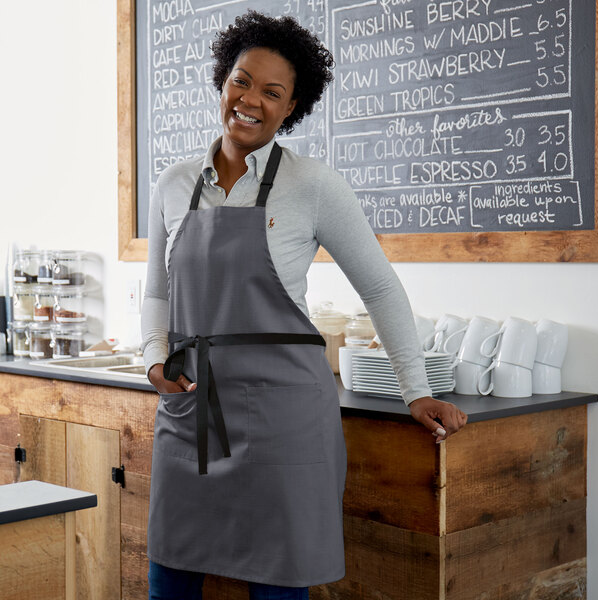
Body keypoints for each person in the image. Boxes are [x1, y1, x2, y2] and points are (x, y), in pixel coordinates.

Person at [141, 10, 467, 600]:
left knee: (279, 583)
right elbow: (157, 291)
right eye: (241, 80)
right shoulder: (173, 183)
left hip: (283, 418)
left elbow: (381, 288)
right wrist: (153, 361)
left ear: (291, 107)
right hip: (194, 410)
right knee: (170, 575)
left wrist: (415, 389)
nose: (250, 100)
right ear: (223, 82)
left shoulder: (313, 185)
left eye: (272, 92)